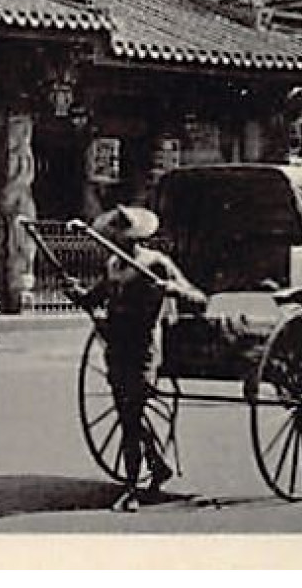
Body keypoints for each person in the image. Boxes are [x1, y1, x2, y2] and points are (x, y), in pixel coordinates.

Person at [66, 205, 207, 512]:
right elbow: (95, 298)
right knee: (128, 414)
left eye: (124, 237)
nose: (119, 241)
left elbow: (199, 300)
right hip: (117, 346)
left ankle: (131, 488)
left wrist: (172, 289)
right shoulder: (114, 265)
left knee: (131, 416)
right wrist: (77, 294)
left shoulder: (156, 264)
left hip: (144, 348)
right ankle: (157, 465)